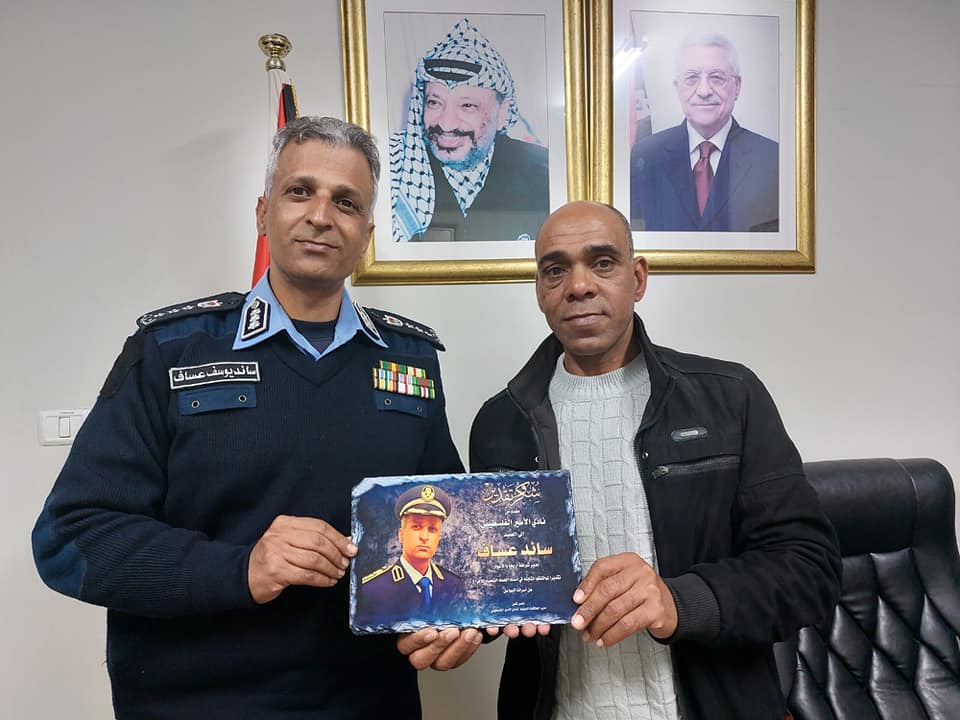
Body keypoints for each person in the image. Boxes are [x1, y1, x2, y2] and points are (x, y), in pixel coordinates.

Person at [31, 116, 477, 719]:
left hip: (368, 701)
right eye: (300, 192)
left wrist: (462, 618)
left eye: (346, 202)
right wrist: (241, 568)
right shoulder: (171, 351)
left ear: (366, 234)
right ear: (264, 213)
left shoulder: (409, 360)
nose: (321, 216)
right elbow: (71, 538)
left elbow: (450, 530)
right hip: (195, 702)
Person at [469, 201, 841, 718]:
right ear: (539, 289)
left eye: (602, 263)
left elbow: (809, 570)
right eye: (556, 270)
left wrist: (679, 601)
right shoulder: (500, 423)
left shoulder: (729, 398)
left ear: (638, 278)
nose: (579, 286)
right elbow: (497, 583)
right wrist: (455, 622)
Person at [390, 17, 550, 242]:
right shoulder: (396, 166)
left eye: (467, 106)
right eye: (434, 102)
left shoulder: (543, 172)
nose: (446, 124)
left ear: (502, 113)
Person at [630, 33, 779, 232]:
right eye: (692, 78)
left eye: (716, 78)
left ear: (737, 86)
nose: (704, 91)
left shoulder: (773, 159)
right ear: (678, 88)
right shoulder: (645, 156)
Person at [354, 484, 466, 629]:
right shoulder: (373, 589)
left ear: (439, 537)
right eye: (416, 527)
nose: (424, 537)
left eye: (432, 529)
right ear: (401, 535)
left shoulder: (454, 584)